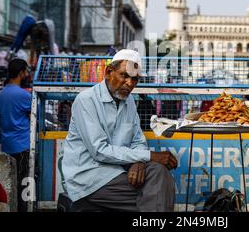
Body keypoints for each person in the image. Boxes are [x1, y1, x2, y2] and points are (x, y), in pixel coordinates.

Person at [63, 49, 177, 212]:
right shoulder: (86, 100)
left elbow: (137, 140)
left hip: (117, 171)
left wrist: (138, 162)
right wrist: (148, 156)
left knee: (159, 172)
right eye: (124, 75)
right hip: (90, 176)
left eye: (135, 79)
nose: (129, 84)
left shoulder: (128, 101)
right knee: (156, 193)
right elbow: (99, 150)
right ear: (109, 72)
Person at [0, 59, 32, 212]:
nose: (27, 75)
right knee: (25, 182)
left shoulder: (3, 92)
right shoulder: (22, 95)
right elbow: (35, 113)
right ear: (20, 73)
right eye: (26, 72)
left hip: (7, 144)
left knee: (12, 182)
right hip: (22, 145)